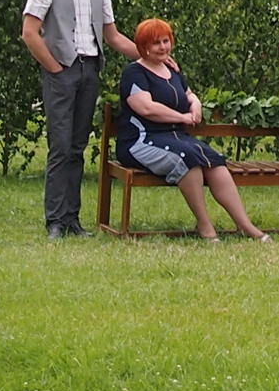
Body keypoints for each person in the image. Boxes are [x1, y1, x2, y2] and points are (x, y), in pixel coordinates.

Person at [18, 0, 138, 239]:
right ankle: (55, 221)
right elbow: (30, 32)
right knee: (60, 145)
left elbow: (113, 37)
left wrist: (150, 57)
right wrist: (54, 68)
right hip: (62, 69)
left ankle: (72, 219)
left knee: (77, 146)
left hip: (90, 69)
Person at [116, 18, 270, 241]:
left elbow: (188, 94)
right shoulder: (134, 73)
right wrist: (182, 117)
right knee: (188, 159)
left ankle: (246, 226)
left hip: (176, 136)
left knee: (214, 160)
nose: (163, 47)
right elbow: (146, 108)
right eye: (156, 43)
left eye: (166, 41)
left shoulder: (172, 69)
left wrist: (196, 104)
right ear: (143, 46)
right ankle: (205, 226)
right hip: (141, 140)